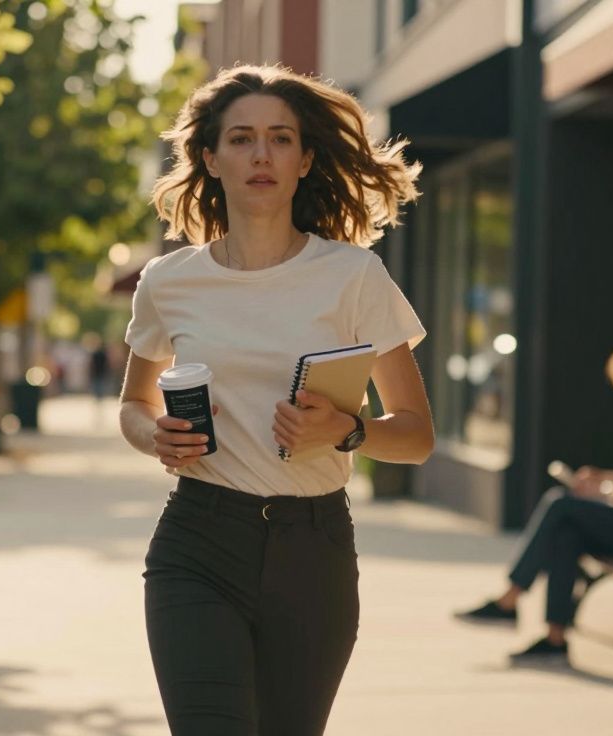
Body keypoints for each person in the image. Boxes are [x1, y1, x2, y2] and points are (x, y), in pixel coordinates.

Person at [119, 65, 435, 735]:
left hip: (311, 550)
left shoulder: (352, 277)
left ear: (305, 158)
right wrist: (154, 437)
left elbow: (415, 434)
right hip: (197, 541)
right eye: (240, 139)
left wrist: (346, 431)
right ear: (209, 157)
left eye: (279, 138)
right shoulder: (168, 282)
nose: (260, 155)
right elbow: (133, 404)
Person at [456, 340, 613, 662]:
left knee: (561, 505)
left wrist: (604, 492)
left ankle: (510, 598)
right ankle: (554, 638)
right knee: (568, 534)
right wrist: (601, 477)